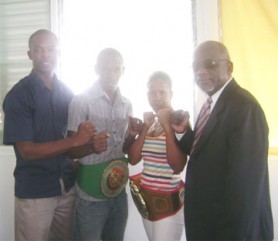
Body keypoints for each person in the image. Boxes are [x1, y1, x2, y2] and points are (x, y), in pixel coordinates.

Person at [2, 29, 96, 241]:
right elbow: (27, 150)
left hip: (66, 188)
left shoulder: (67, 93)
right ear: (30, 55)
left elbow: (74, 144)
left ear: (58, 53)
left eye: (51, 50)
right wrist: (74, 140)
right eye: (39, 50)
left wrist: (89, 144)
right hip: (35, 192)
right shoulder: (18, 95)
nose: (45, 55)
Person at [175, 40, 273, 240]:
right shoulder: (211, 103)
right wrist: (183, 132)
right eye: (196, 66)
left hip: (228, 231)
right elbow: (205, 153)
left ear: (228, 67)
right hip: (208, 224)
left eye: (209, 63)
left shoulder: (244, 108)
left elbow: (245, 189)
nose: (200, 71)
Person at [67, 48, 137, 241]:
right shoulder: (81, 101)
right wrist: (91, 147)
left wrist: (132, 135)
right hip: (90, 195)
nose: (111, 74)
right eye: (105, 68)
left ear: (124, 70)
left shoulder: (127, 104)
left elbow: (123, 149)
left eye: (116, 69)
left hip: (118, 192)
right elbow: (70, 150)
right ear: (96, 69)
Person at [128, 71, 189, 241]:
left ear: (171, 94)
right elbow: (133, 159)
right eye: (152, 93)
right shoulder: (151, 122)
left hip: (168, 200)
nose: (157, 97)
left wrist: (168, 128)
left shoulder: (179, 121)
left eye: (162, 92)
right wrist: (145, 127)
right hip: (146, 197)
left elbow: (177, 166)